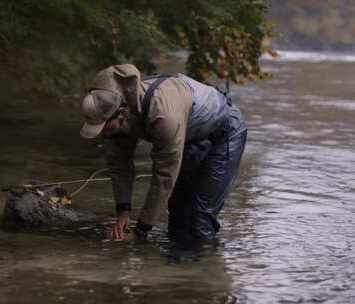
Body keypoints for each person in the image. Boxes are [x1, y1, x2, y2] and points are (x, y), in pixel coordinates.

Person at [79, 64, 247, 245]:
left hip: (224, 132)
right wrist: (123, 211)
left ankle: (204, 270)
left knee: (200, 216)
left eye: (104, 127)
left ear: (121, 113)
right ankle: (174, 270)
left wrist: (140, 232)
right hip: (190, 136)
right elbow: (120, 166)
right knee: (177, 213)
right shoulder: (115, 111)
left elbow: (164, 177)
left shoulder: (163, 115)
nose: (102, 134)